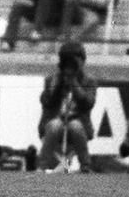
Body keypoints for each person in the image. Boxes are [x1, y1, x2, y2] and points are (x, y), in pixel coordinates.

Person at [38, 42, 97, 172]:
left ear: (82, 61)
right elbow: (46, 101)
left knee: (75, 126)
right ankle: (42, 166)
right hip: (54, 120)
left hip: (79, 122)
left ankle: (85, 166)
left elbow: (88, 103)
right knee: (54, 126)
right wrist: (57, 84)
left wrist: (74, 84)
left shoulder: (89, 81)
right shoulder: (52, 79)